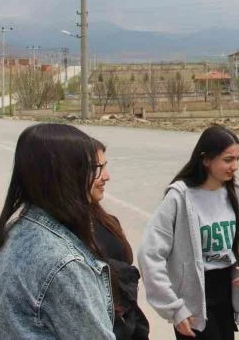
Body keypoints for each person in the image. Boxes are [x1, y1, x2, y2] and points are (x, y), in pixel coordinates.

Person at [0, 123, 115, 339]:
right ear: (63, 175)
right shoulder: (63, 264)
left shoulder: (15, 234)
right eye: (96, 168)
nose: (107, 176)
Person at [138, 125, 239, 340]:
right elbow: (150, 255)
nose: (235, 166)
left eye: (238, 159)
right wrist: (173, 308)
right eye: (228, 160)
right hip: (193, 300)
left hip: (227, 292)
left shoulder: (238, 193)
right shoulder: (179, 198)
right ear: (206, 159)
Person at [90, 138, 150, 339]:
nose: (107, 176)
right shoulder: (62, 238)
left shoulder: (108, 221)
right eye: (98, 168)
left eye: (105, 167)